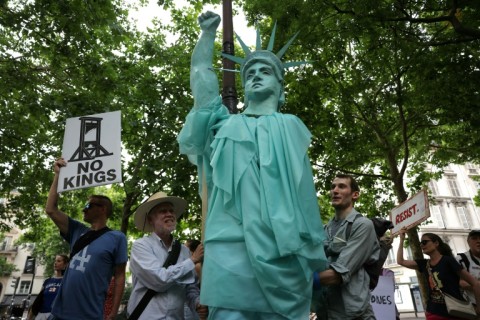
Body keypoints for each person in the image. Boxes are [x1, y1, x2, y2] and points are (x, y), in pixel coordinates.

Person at [177, 11, 326, 320]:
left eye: (265, 71)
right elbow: (202, 83)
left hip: (284, 247)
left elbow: (302, 196)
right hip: (230, 243)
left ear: (280, 84)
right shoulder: (224, 125)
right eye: (250, 72)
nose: (256, 74)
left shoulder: (291, 126)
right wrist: (206, 36)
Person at [45, 158, 128, 320]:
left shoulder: (117, 237)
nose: (84, 208)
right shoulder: (77, 230)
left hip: (89, 315)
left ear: (103, 209)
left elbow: (119, 276)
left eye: (89, 205)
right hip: (57, 313)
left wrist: (113, 313)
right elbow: (50, 209)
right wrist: (57, 175)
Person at [127, 192, 207, 320]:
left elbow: (190, 288)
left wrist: (197, 303)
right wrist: (192, 261)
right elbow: (159, 280)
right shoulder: (141, 246)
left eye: (171, 211)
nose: (169, 214)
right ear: (150, 219)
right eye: (163, 211)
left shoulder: (184, 251)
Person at [315, 174, 380, 320]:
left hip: (354, 316)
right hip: (325, 313)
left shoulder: (363, 225)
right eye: (333, 187)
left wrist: (299, 281)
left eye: (342, 186)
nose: (335, 190)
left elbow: (338, 274)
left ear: (355, 195)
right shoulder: (323, 230)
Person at [397, 228, 480, 319]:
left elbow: (475, 283)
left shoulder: (448, 261)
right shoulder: (424, 264)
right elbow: (401, 261)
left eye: (425, 242)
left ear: (436, 243)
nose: (422, 245)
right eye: (421, 243)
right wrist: (401, 239)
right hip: (433, 312)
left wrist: (479, 308)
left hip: (455, 311)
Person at [28, 255, 69, 320]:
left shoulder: (67, 281)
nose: (55, 263)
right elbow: (38, 300)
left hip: (56, 315)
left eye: (58, 261)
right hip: (41, 315)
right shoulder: (47, 281)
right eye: (55, 261)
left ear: (65, 264)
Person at [457, 229, 480, 307]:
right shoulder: (461, 259)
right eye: (474, 238)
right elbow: (460, 282)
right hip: (472, 306)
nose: (478, 241)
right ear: (468, 242)